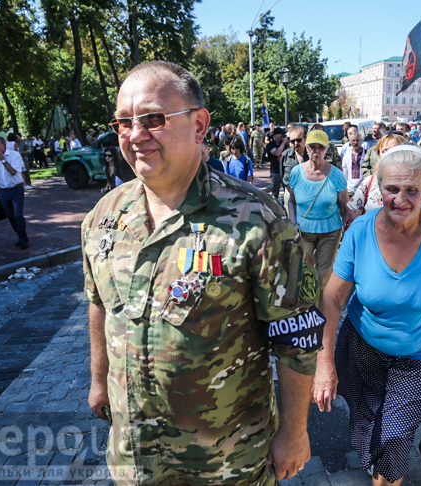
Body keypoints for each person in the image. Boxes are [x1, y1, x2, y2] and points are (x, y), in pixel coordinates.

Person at [85, 60, 322, 486]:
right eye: (124, 123)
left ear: (198, 125)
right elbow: (99, 304)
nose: (136, 135)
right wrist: (98, 381)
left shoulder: (256, 220)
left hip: (227, 464)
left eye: (153, 119)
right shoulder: (104, 216)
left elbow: (296, 340)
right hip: (135, 459)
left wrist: (294, 431)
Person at [313, 144, 421, 485]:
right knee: (367, 424)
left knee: (393, 439)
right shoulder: (360, 231)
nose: (401, 199)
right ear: (379, 187)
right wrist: (324, 362)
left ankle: (386, 472)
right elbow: (333, 298)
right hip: (363, 346)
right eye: (392, 189)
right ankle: (377, 460)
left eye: (412, 190)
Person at [287, 129, 348, 303]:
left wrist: (346, 231)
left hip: (330, 231)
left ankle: (317, 312)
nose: (316, 151)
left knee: (322, 275)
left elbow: (344, 207)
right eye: (312, 147)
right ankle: (302, 310)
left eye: (320, 147)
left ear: (326, 149)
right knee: (303, 271)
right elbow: (291, 201)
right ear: (306, 148)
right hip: (303, 230)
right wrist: (292, 222)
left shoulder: (336, 175)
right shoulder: (296, 173)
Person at [348, 132, 421, 223]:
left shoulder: (419, 185)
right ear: (378, 154)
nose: (390, 154)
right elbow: (353, 209)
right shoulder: (369, 182)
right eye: (385, 151)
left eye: (395, 149)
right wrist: (365, 231)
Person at [0, 136, 28, 249]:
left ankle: (23, 238)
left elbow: (12, 172)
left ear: (3, 144)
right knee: (11, 217)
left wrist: (2, 158)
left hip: (16, 189)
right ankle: (20, 237)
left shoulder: (14, 155)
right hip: (2, 191)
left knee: (18, 215)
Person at [267, 126, 290, 200]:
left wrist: (287, 144)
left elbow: (290, 153)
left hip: (284, 171)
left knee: (287, 192)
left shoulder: (283, 144)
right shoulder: (270, 145)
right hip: (275, 172)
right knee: (275, 194)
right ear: (276, 135)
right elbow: (277, 153)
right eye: (281, 135)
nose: (282, 137)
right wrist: (283, 143)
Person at [342, 130, 365, 198]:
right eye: (353, 140)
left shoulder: (366, 154)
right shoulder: (347, 155)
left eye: (357, 140)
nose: (355, 142)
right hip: (350, 190)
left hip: (364, 190)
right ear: (350, 142)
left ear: (361, 140)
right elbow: (345, 174)